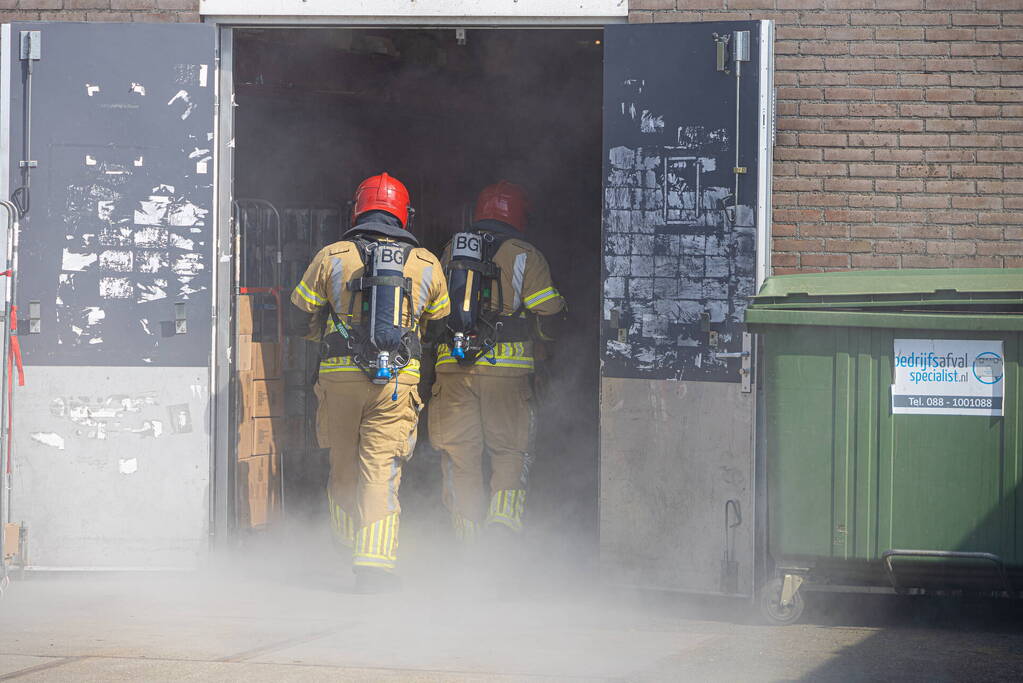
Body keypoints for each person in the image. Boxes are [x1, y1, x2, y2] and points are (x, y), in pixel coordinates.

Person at [291, 172, 449, 593]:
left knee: (343, 464)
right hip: (397, 381)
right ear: (404, 213)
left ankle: (345, 544)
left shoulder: (332, 255)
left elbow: (301, 311)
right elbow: (439, 321)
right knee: (381, 469)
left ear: (357, 209)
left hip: (339, 377)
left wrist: (321, 335)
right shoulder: (428, 262)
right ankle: (374, 563)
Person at [428, 180, 567, 551]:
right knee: (509, 451)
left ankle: (467, 544)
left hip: (452, 370)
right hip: (507, 376)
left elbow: (433, 313)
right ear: (519, 215)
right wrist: (548, 347)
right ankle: (502, 529)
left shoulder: (449, 252)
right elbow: (549, 313)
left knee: (460, 456)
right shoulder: (525, 255)